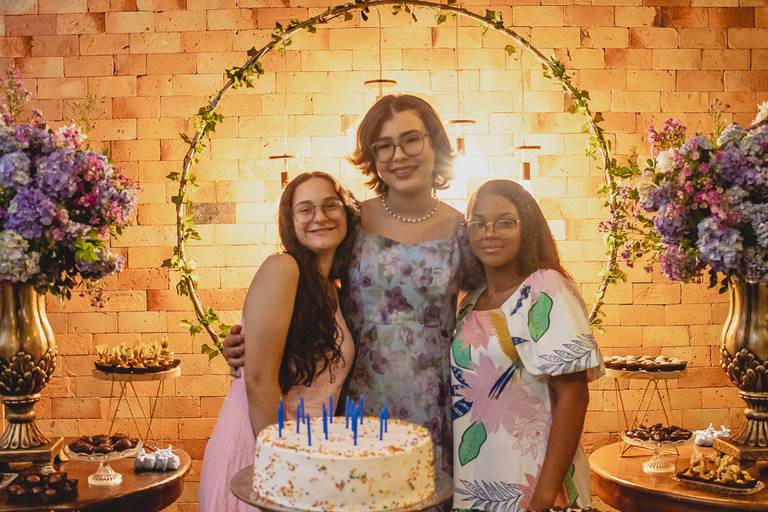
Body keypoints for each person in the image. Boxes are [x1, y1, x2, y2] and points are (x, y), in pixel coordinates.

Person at [223, 94, 465, 472]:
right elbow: (304, 293)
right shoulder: (352, 221)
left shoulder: (463, 230)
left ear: (434, 142)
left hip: (435, 400)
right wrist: (245, 344)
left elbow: (484, 312)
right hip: (354, 403)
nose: (399, 155)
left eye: (411, 140)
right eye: (383, 146)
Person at [199, 172, 360, 511]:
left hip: (310, 453)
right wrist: (282, 466)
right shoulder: (283, 268)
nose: (320, 216)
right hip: (262, 449)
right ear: (289, 220)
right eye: (305, 209)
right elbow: (259, 382)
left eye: (331, 205)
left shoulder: (334, 289)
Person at [451, 180, 604, 511]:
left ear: (528, 227)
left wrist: (543, 498)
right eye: (478, 223)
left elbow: (574, 396)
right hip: (479, 477)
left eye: (505, 222)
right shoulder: (472, 300)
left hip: (532, 484)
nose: (490, 233)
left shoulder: (545, 290)